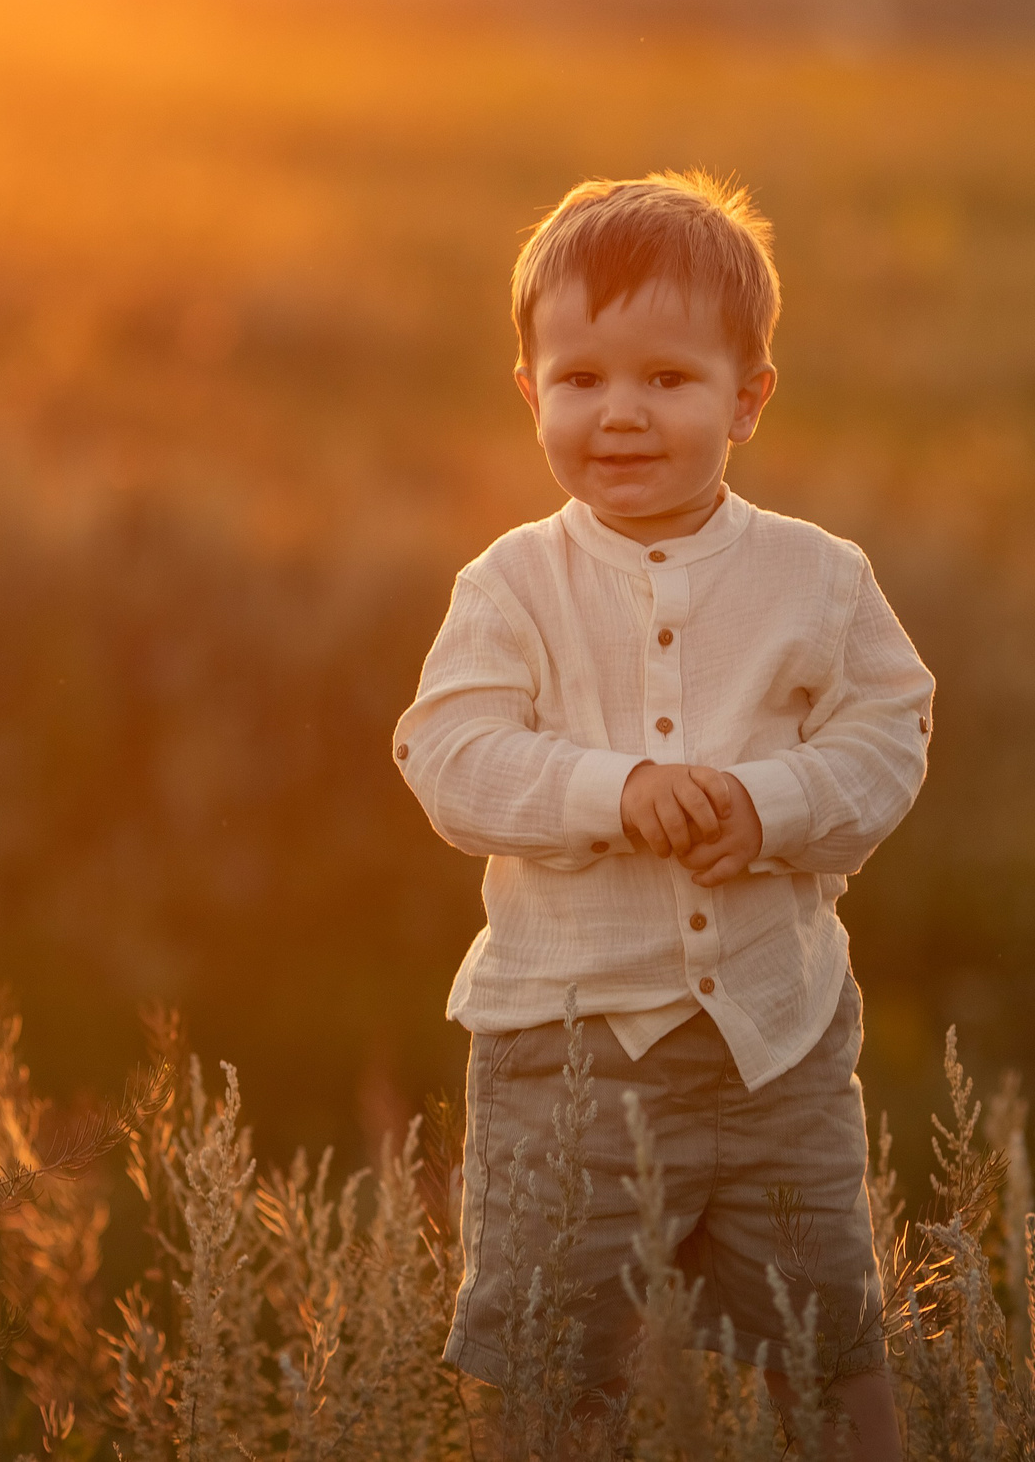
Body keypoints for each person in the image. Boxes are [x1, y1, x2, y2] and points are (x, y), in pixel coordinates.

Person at [393, 170, 934, 1458]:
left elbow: (889, 732)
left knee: (828, 1347)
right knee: (549, 1369)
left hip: (776, 1050)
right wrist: (614, 791)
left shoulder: (818, 577)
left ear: (748, 399)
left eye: (668, 381)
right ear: (530, 393)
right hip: (564, 1059)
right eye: (580, 380)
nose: (620, 413)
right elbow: (450, 754)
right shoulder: (512, 583)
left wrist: (773, 805)